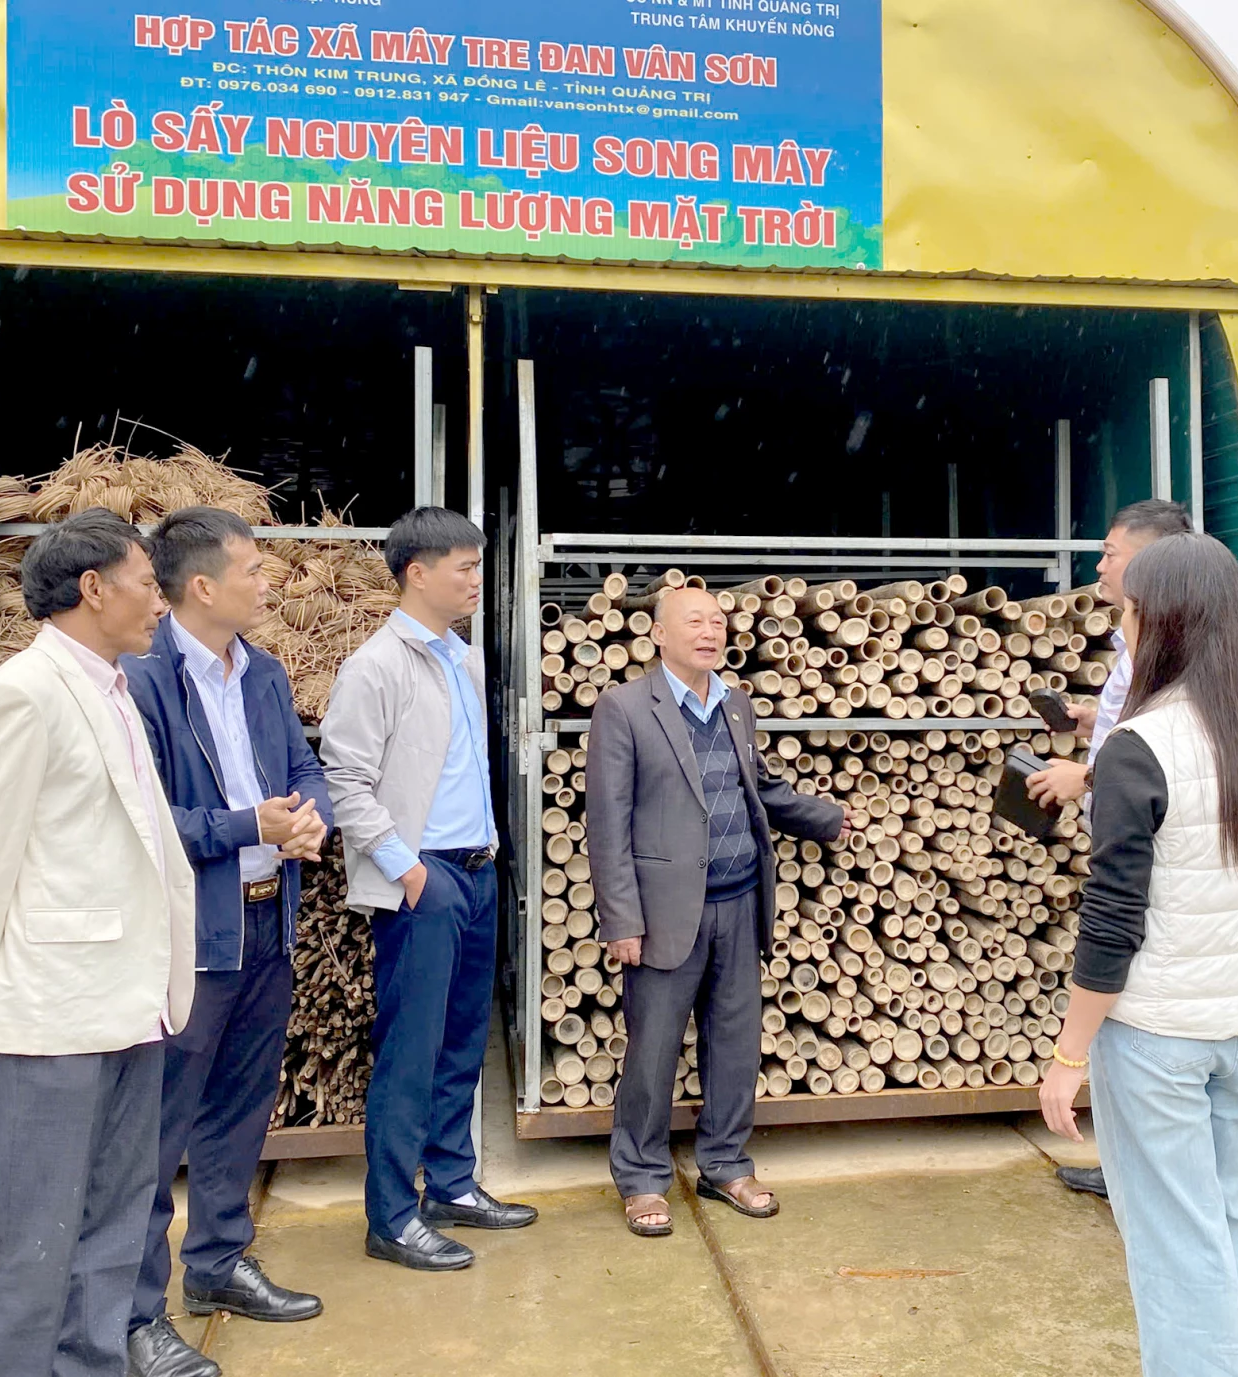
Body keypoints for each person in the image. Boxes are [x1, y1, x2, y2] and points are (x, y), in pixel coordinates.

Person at [1037, 532, 1238, 1377]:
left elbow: (1113, 920)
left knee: (1172, 1245)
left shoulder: (1140, 745)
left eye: (1128, 611)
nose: (1121, 626)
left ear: (1162, 621)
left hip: (1161, 1033)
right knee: (1226, 1214)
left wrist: (1067, 1053)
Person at [0, 509, 196, 1377]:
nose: (160, 604)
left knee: (111, 1234)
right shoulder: (19, 696)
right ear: (93, 589)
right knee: (29, 1246)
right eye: (148, 585)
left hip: (131, 1009)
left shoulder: (115, 691)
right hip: (49, 1019)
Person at [121, 508, 334, 1377]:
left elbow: (302, 765)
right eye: (252, 567)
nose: (267, 580)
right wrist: (250, 821)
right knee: (154, 1130)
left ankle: (216, 1266)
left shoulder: (266, 673)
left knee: (239, 1108)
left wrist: (308, 812)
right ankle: (135, 1315)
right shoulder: (139, 682)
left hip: (264, 917)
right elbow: (142, 822)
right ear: (201, 585)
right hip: (189, 934)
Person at [587, 587, 850, 1237]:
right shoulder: (623, 709)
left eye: (718, 621)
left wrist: (830, 819)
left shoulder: (734, 703)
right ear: (659, 633)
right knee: (651, 1052)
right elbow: (607, 823)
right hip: (665, 911)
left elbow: (759, 786)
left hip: (739, 901)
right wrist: (621, 918)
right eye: (694, 621)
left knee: (735, 1044)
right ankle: (643, 1177)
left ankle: (725, 1162)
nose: (710, 632)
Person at [321, 506, 538, 1271]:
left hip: (476, 870)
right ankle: (391, 1215)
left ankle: (451, 1184)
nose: (478, 580)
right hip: (425, 876)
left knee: (460, 1044)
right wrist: (407, 869)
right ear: (417, 572)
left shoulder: (462, 656)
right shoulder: (375, 665)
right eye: (465, 567)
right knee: (410, 1051)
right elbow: (343, 780)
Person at [1026, 496, 1193, 1199]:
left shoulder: (1164, 646)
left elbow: (1168, 753)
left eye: (1111, 551)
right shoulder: (1132, 645)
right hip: (1123, 831)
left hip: (1140, 848)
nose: (1099, 563)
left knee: (1125, 988)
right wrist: (1097, 717)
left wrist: (1084, 772)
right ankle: (1124, 1158)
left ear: (1151, 561)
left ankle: (1141, 1171)